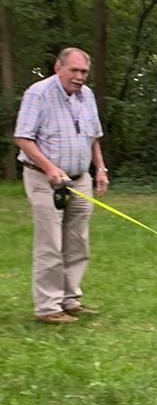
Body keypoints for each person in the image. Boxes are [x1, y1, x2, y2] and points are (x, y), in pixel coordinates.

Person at [14, 48, 110, 324]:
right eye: (74, 70)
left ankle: (70, 299)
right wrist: (50, 168)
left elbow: (93, 137)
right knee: (50, 244)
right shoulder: (38, 93)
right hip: (45, 179)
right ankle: (48, 307)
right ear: (58, 68)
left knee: (77, 242)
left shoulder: (87, 95)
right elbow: (22, 138)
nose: (79, 77)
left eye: (84, 72)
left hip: (80, 179)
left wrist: (100, 169)